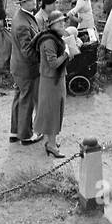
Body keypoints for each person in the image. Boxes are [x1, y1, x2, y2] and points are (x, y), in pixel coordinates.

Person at [35, 10, 77, 157]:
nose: (63, 24)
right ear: (52, 25)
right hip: (51, 80)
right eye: (60, 23)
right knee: (52, 113)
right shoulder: (49, 41)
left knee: (55, 110)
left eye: (63, 22)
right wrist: (66, 53)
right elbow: (53, 64)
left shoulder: (55, 38)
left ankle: (50, 141)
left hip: (55, 79)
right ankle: (51, 145)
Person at [8, 0, 43, 144]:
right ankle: (26, 135)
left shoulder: (22, 16)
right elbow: (28, 52)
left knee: (19, 98)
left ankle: (15, 132)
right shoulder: (23, 23)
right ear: (21, 3)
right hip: (26, 69)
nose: (33, 2)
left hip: (18, 66)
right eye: (29, 0)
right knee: (26, 101)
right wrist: (43, 58)